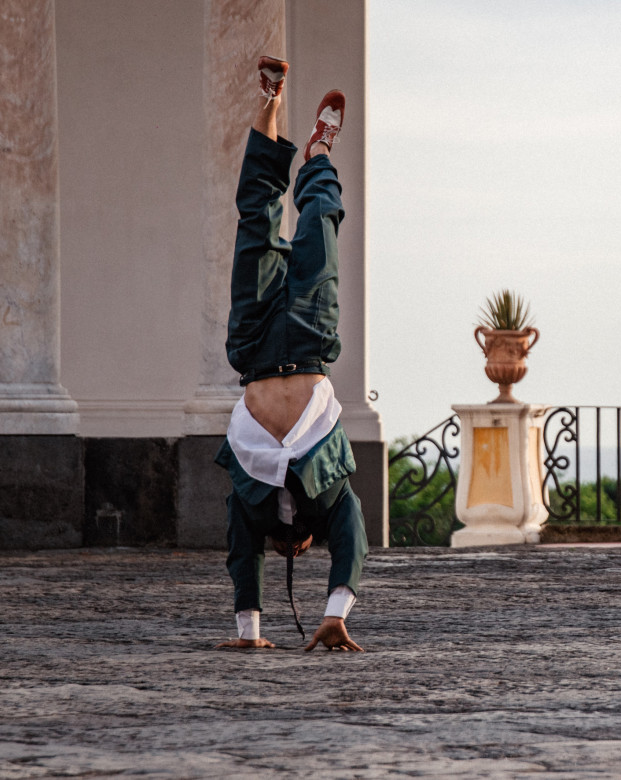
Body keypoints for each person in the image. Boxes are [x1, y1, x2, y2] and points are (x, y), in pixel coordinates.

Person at [214, 56, 367, 652]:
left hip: (253, 350)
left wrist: (249, 632)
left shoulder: (252, 508)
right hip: (307, 346)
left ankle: (268, 106)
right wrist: (336, 612)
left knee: (254, 223)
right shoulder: (326, 498)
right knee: (320, 229)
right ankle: (319, 157)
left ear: (293, 545)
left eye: (300, 548)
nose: (302, 546)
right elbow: (351, 532)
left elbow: (239, 555)